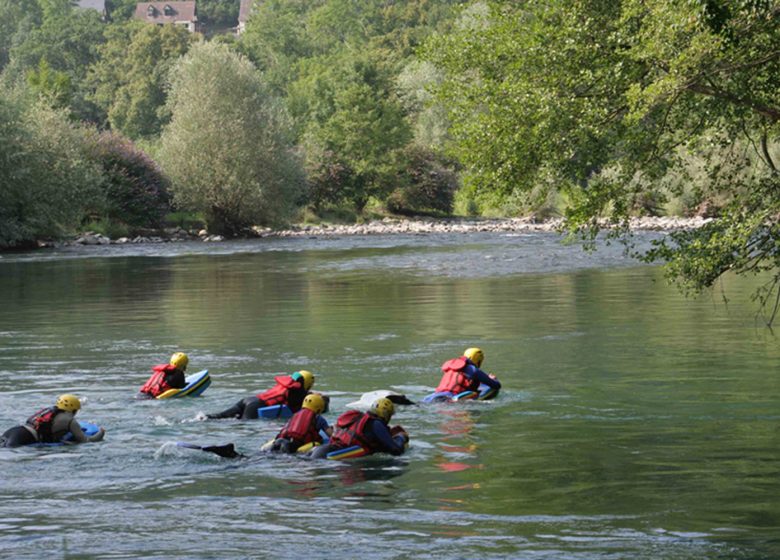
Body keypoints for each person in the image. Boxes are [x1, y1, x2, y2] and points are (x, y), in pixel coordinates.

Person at [310, 397, 409, 459]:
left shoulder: (358, 417)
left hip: (321, 450)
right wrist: (401, 437)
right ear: (386, 415)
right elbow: (396, 450)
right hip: (331, 456)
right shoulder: (376, 424)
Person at [0, 394, 105, 448]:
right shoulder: (70, 420)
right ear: (74, 409)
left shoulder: (49, 411)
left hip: (14, 431)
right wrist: (101, 433)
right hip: (25, 437)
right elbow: (85, 441)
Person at [207, 370, 314, 420]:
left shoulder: (287, 384)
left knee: (219, 416)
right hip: (256, 406)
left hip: (249, 400)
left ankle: (202, 418)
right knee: (241, 425)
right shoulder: (297, 392)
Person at [268, 393, 333, 453]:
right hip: (295, 446)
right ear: (320, 407)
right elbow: (331, 435)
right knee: (317, 444)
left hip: (280, 441)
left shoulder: (295, 415)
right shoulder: (318, 418)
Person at [433, 347, 501, 400]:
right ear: (478, 360)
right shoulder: (473, 370)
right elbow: (496, 385)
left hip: (437, 394)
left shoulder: (451, 367)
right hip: (453, 397)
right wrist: (493, 379)